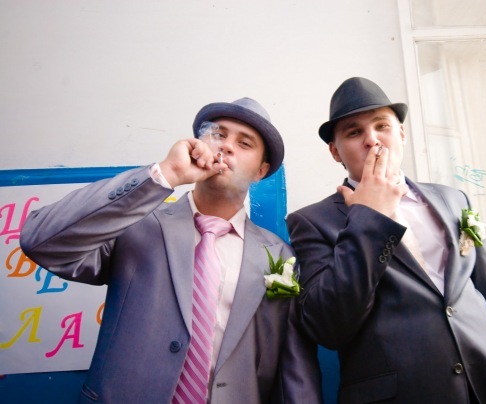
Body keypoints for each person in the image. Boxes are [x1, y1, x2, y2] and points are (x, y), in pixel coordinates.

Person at [20, 97, 321, 403]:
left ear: (261, 170)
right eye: (218, 134)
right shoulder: (135, 224)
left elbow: (294, 368)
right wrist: (167, 173)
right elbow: (41, 242)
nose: (227, 146)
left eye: (244, 143)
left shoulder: (280, 257)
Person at [286, 77, 486, 403]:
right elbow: (329, 327)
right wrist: (369, 218)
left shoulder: (453, 199)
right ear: (335, 151)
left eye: (382, 126)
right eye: (354, 132)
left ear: (402, 133)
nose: (372, 139)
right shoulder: (312, 221)